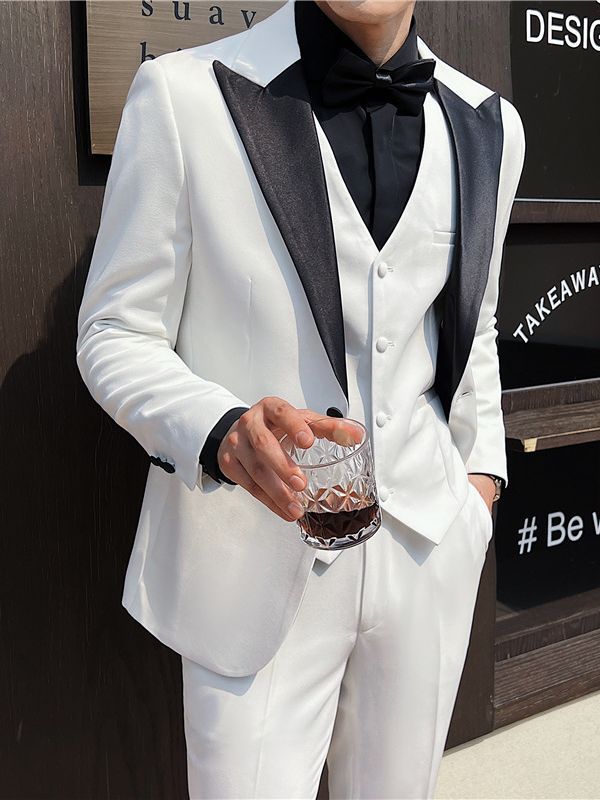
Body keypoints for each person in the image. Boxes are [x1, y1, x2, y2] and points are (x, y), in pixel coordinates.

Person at [76, 0, 525, 797]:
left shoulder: (490, 122)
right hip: (251, 559)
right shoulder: (183, 95)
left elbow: (475, 320)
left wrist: (477, 490)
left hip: (427, 548)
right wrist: (219, 430)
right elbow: (114, 331)